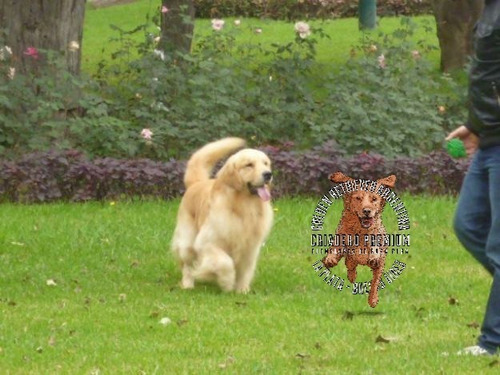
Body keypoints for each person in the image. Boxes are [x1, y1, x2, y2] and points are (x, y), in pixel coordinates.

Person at [445, 0, 500, 356]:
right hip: (490, 138)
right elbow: (488, 75)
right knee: (468, 224)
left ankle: (493, 342)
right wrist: (477, 124)